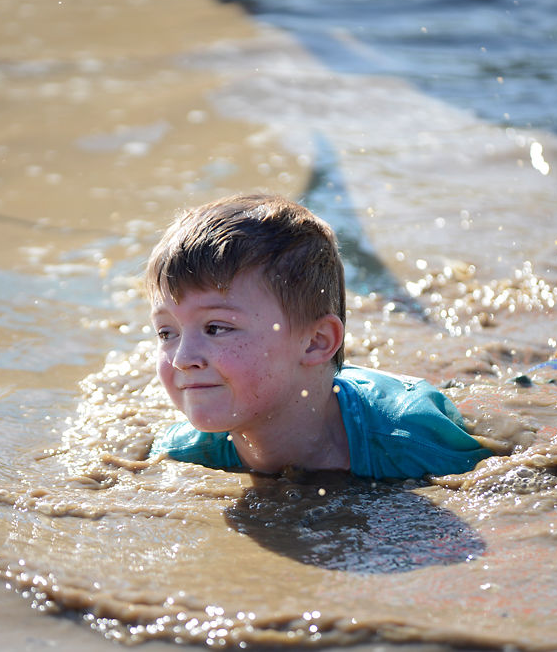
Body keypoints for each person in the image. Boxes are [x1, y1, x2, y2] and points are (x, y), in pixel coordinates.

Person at [145, 193, 492, 478]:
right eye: (166, 332)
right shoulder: (183, 453)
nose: (182, 358)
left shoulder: (416, 444)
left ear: (316, 341)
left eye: (216, 328)